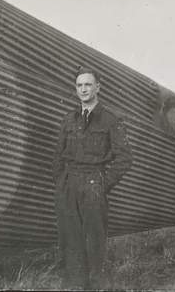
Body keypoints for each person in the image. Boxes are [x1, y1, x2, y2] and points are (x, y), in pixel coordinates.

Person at [53, 67, 133, 289]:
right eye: (79, 85)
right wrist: (61, 183)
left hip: (93, 185)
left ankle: (94, 285)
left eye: (88, 84)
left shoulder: (110, 120)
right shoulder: (69, 119)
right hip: (68, 185)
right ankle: (74, 284)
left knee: (93, 240)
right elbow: (58, 155)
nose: (83, 89)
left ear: (98, 87)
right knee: (70, 238)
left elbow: (125, 158)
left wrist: (101, 184)